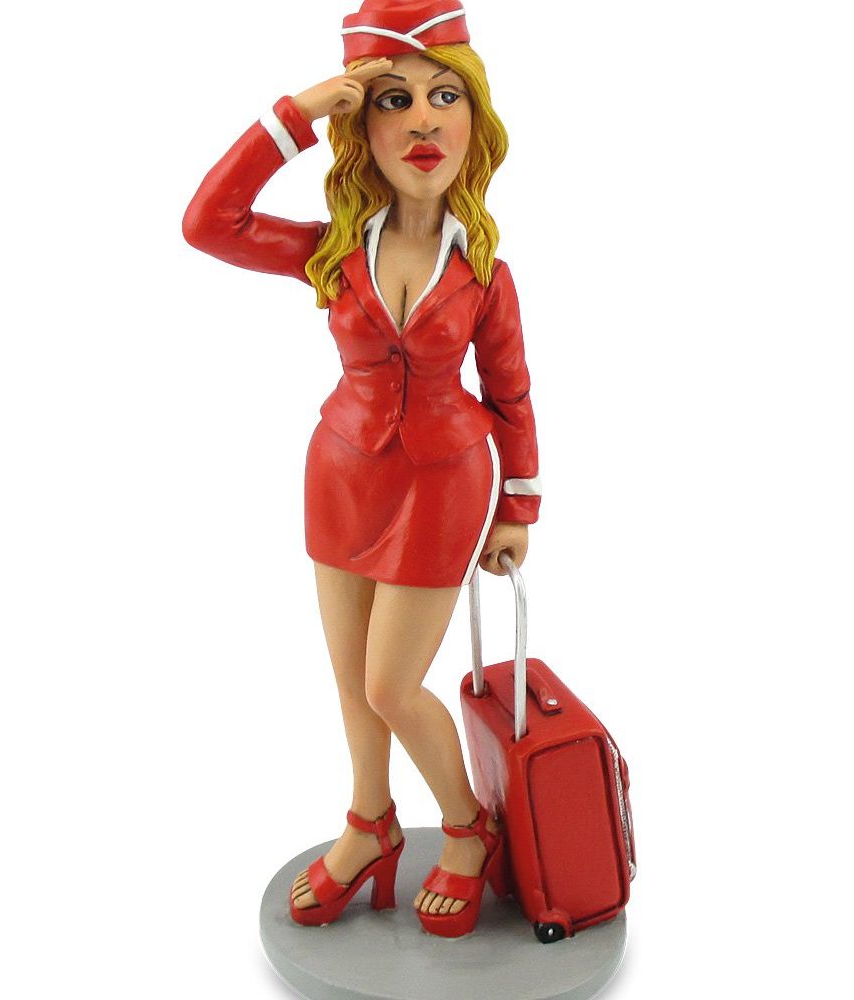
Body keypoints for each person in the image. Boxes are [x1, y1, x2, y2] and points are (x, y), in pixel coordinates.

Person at [182, 0, 541, 938]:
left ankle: (467, 827)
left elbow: (511, 393)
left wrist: (519, 507)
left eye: (445, 96)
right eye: (393, 99)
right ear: (362, 126)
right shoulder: (331, 253)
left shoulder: (486, 273)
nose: (423, 121)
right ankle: (370, 822)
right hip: (340, 475)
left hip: (444, 483)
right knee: (350, 679)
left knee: (392, 684)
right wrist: (296, 114)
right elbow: (208, 224)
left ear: (475, 120)